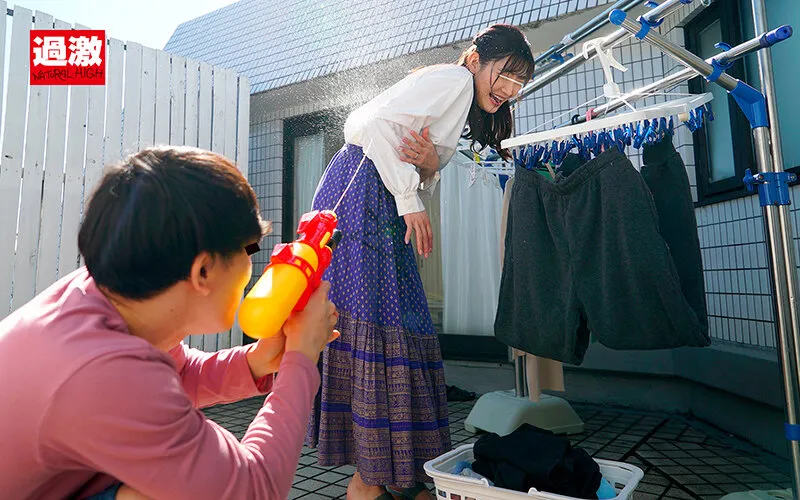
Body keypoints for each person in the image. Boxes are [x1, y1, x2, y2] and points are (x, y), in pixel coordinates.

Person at [0, 147, 339, 500]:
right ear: (203, 271)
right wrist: (301, 358)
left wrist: (257, 362)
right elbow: (254, 490)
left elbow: (176, 375)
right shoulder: (105, 375)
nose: (255, 266)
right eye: (249, 250)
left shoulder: (102, 294)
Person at [305, 24, 536, 500]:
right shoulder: (454, 81)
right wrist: (412, 198)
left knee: (390, 323)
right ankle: (381, 461)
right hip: (363, 192)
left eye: (519, 82)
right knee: (384, 321)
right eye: (505, 74)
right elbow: (371, 125)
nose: (509, 89)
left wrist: (426, 171)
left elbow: (411, 157)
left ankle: (389, 462)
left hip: (371, 195)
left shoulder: (459, 98)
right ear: (475, 59)